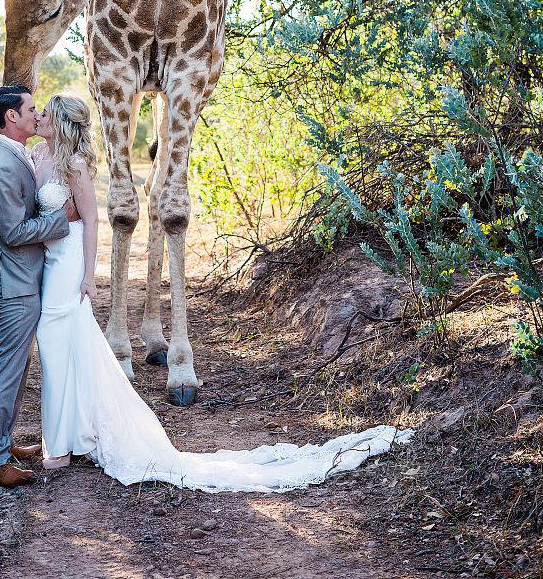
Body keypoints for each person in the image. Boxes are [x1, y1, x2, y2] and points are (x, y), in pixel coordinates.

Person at [33, 93, 414, 491]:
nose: (39, 116)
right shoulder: (41, 155)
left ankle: (60, 445)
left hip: (68, 264)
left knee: (60, 344)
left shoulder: (76, 166)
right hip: (50, 262)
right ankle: (72, 435)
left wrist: (88, 275)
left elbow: (91, 221)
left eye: (44, 113)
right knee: (66, 348)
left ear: (60, 122)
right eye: (36, 112)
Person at [0, 84, 79, 488]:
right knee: (6, 368)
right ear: (12, 117)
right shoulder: (2, 164)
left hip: (23, 273)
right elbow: (14, 231)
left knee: (17, 367)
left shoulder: (16, 153)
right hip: (16, 277)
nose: (37, 115)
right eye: (32, 109)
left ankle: (3, 443)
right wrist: (62, 218)